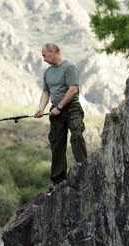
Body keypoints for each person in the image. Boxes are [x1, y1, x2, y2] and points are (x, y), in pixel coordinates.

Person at [34, 43, 88, 192]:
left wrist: (59, 107)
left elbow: (73, 89)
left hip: (72, 109)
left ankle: (85, 172)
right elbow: (46, 92)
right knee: (57, 144)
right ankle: (59, 181)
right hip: (56, 111)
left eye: (45, 55)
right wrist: (40, 109)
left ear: (55, 52)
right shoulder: (47, 73)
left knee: (76, 136)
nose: (43, 58)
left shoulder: (69, 67)